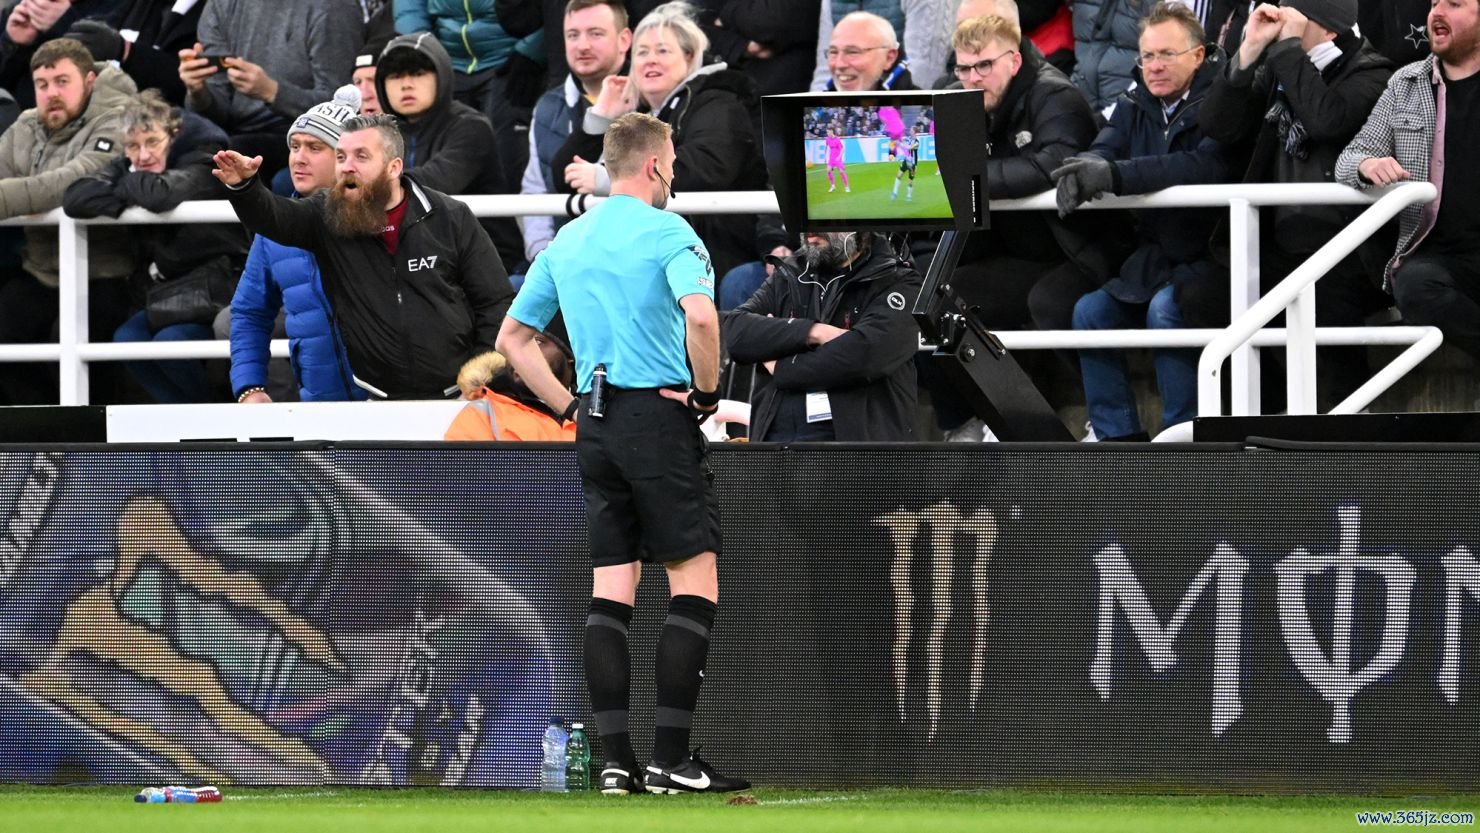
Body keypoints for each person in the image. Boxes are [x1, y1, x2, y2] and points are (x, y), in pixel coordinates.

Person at [495, 112, 747, 796]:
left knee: (612, 589)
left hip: (595, 423)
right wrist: (705, 393)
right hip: (657, 415)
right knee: (693, 578)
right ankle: (670, 759)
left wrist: (569, 407)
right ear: (658, 165)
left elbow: (513, 338)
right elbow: (701, 316)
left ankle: (615, 761)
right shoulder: (670, 232)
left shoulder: (570, 240)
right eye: (674, 164)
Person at [212, 113, 516, 400]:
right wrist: (245, 187)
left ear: (394, 167)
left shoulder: (451, 216)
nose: (346, 167)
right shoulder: (326, 214)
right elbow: (274, 217)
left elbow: (495, 302)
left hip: (460, 396)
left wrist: (479, 379)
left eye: (361, 156)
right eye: (342, 157)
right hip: (375, 401)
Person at [1191, 0, 1394, 406]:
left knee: (1329, 311)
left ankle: (1347, 436)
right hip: (1279, 245)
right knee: (1201, 297)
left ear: (1330, 29)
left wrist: (1285, 49)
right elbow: (1217, 126)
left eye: (1294, 16)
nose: (1281, 21)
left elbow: (1327, 120)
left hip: (1347, 251)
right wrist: (1247, 53)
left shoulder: (1374, 73)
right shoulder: (1276, 68)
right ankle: (1268, 405)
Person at [1051, 2, 1232, 440]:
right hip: (1155, 256)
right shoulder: (1134, 101)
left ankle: (1183, 438)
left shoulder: (1223, 101)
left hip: (1213, 253)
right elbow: (1105, 147)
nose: (1154, 66)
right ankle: (1119, 443)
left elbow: (1200, 166)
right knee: (1089, 313)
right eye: (1147, 56)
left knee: (1166, 310)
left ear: (1199, 55)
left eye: (1166, 54)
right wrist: (1087, 166)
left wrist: (1113, 174)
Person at [928, 11, 1111, 441]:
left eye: (984, 66)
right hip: (1007, 251)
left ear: (1013, 60)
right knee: (933, 297)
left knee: (1050, 302)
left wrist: (968, 177)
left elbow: (1053, 164)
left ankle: (1105, 423)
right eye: (963, 68)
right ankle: (969, 422)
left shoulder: (1056, 96)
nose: (972, 78)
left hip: (1074, 249)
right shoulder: (955, 97)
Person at [550, 1, 789, 291]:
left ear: (690, 58)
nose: (650, 60)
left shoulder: (719, 100)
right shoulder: (636, 113)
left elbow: (706, 167)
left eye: (663, 51)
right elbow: (565, 177)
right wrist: (601, 119)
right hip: (650, 258)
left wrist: (612, 178)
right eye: (642, 52)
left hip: (712, 258)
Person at [62, 88, 247, 404]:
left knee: (171, 341)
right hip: (167, 290)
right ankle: (192, 424)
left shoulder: (204, 161)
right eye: (132, 146)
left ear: (173, 135)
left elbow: (159, 195)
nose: (143, 155)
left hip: (217, 285)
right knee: (126, 339)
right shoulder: (133, 167)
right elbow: (75, 199)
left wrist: (125, 183)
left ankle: (214, 422)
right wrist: (133, 183)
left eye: (152, 142)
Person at [1336, 0, 1480, 362]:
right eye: (1433, 4)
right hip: (1439, 256)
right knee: (1415, 287)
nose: (1436, 13)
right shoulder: (1407, 82)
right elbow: (1349, 157)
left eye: (1455, 4)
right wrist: (1367, 164)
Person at [0, 37, 136, 405]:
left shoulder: (122, 119)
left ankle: (88, 449)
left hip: (107, 273)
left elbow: (74, 183)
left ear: (90, 81)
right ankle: (42, 444)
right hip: (42, 270)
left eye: (62, 81)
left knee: (77, 346)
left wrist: (12, 196)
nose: (51, 94)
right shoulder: (26, 125)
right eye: (42, 85)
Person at [228, 86, 368, 404]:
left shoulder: (383, 219)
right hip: (318, 409)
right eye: (295, 146)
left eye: (315, 147)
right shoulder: (272, 231)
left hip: (392, 408)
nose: (299, 159)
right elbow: (249, 311)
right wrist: (249, 387)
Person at [723, 230, 922, 441]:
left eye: (823, 219)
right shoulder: (792, 270)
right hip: (778, 445)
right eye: (805, 218)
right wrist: (814, 332)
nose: (810, 230)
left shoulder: (899, 279)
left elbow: (865, 355)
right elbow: (737, 332)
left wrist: (781, 365)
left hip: (855, 449)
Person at [374, 31, 525, 273]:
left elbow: (437, 181)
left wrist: (367, 184)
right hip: (414, 261)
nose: (406, 84)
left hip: (485, 262)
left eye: (418, 73)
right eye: (395, 76)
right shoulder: (380, 134)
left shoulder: (471, 126)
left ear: (442, 76)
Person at [177, 0, 364, 180]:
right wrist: (198, 91)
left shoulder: (334, 6)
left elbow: (343, 105)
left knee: (230, 155)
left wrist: (272, 92)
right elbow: (217, 112)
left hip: (300, 136)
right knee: (174, 142)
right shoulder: (221, 4)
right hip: (230, 134)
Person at [391, 0, 548, 196]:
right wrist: (422, 51)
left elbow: (560, 11)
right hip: (444, 61)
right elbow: (410, 10)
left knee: (508, 162)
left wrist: (532, 50)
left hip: (512, 60)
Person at [520, 0, 631, 265]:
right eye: (573, 35)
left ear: (624, 39)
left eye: (596, 34)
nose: (582, 45)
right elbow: (534, 193)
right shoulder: (547, 107)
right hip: (561, 262)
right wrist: (544, 258)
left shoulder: (650, 98)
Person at [443, 327, 578, 440]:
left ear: (570, 354)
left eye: (538, 341)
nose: (519, 354)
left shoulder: (592, 412)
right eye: (513, 346)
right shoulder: (483, 414)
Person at [814, 9, 917, 91]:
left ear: (889, 58)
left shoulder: (923, 108)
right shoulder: (815, 109)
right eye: (833, 52)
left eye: (852, 52)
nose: (839, 64)